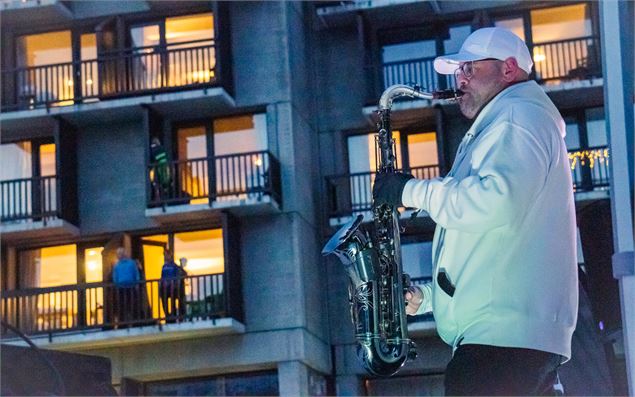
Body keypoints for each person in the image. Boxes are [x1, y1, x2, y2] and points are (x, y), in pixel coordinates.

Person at [373, 27, 578, 396]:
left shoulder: (516, 118)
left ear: (509, 69)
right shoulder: (509, 122)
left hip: (501, 344)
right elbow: (495, 245)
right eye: (457, 70)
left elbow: (492, 203)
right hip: (508, 337)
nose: (459, 78)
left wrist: (409, 190)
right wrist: (429, 298)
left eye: (469, 67)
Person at [111, 247, 141, 327]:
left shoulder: (131, 263)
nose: (119, 255)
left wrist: (137, 284)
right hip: (121, 288)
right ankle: (122, 324)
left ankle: (134, 322)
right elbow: (115, 277)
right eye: (118, 254)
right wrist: (116, 285)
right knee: (122, 306)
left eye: (120, 253)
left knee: (132, 305)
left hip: (131, 287)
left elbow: (136, 273)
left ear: (124, 254)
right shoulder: (116, 265)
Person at [159, 250, 188, 322]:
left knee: (173, 302)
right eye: (164, 255)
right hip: (165, 288)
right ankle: (168, 316)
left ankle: (173, 316)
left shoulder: (174, 266)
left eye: (166, 255)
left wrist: (175, 283)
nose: (165, 257)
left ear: (170, 255)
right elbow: (162, 277)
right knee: (164, 301)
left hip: (173, 288)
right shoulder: (164, 266)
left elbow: (178, 275)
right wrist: (161, 284)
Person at [150, 137, 171, 202]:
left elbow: (152, 159)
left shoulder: (152, 150)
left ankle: (158, 198)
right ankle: (165, 196)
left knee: (156, 183)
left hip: (158, 168)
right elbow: (167, 157)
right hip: (165, 167)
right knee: (165, 182)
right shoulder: (162, 149)